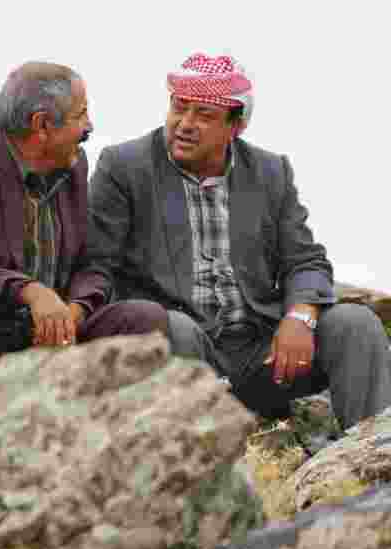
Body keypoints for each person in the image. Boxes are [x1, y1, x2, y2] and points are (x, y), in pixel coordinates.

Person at [86, 53, 391, 428]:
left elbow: (305, 261)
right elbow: (97, 264)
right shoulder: (123, 167)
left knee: (354, 324)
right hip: (178, 353)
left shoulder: (270, 172)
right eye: (179, 108)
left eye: (204, 115)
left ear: (236, 127)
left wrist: (300, 317)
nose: (185, 124)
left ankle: (375, 465)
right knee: (175, 327)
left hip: (261, 353)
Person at [0, 62, 168, 426]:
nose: (89, 126)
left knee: (143, 318)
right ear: (42, 124)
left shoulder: (74, 162)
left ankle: (114, 456)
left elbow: (94, 262)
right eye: (82, 113)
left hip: (56, 334)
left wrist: (72, 313)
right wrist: (30, 292)